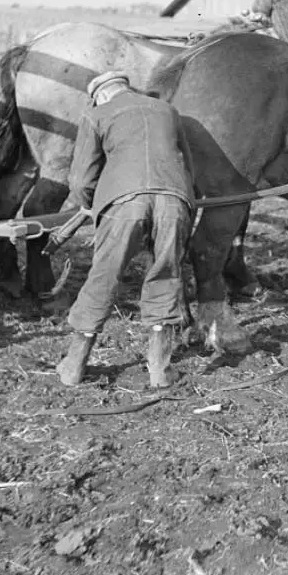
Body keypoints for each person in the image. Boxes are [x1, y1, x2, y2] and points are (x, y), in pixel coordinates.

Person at [55, 70, 196, 388]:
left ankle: (74, 366)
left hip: (124, 204)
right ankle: (159, 371)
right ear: (126, 88)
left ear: (100, 95)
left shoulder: (96, 114)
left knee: (104, 277)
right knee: (167, 276)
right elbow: (188, 166)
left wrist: (90, 203)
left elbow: (80, 180)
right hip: (174, 200)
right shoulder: (167, 111)